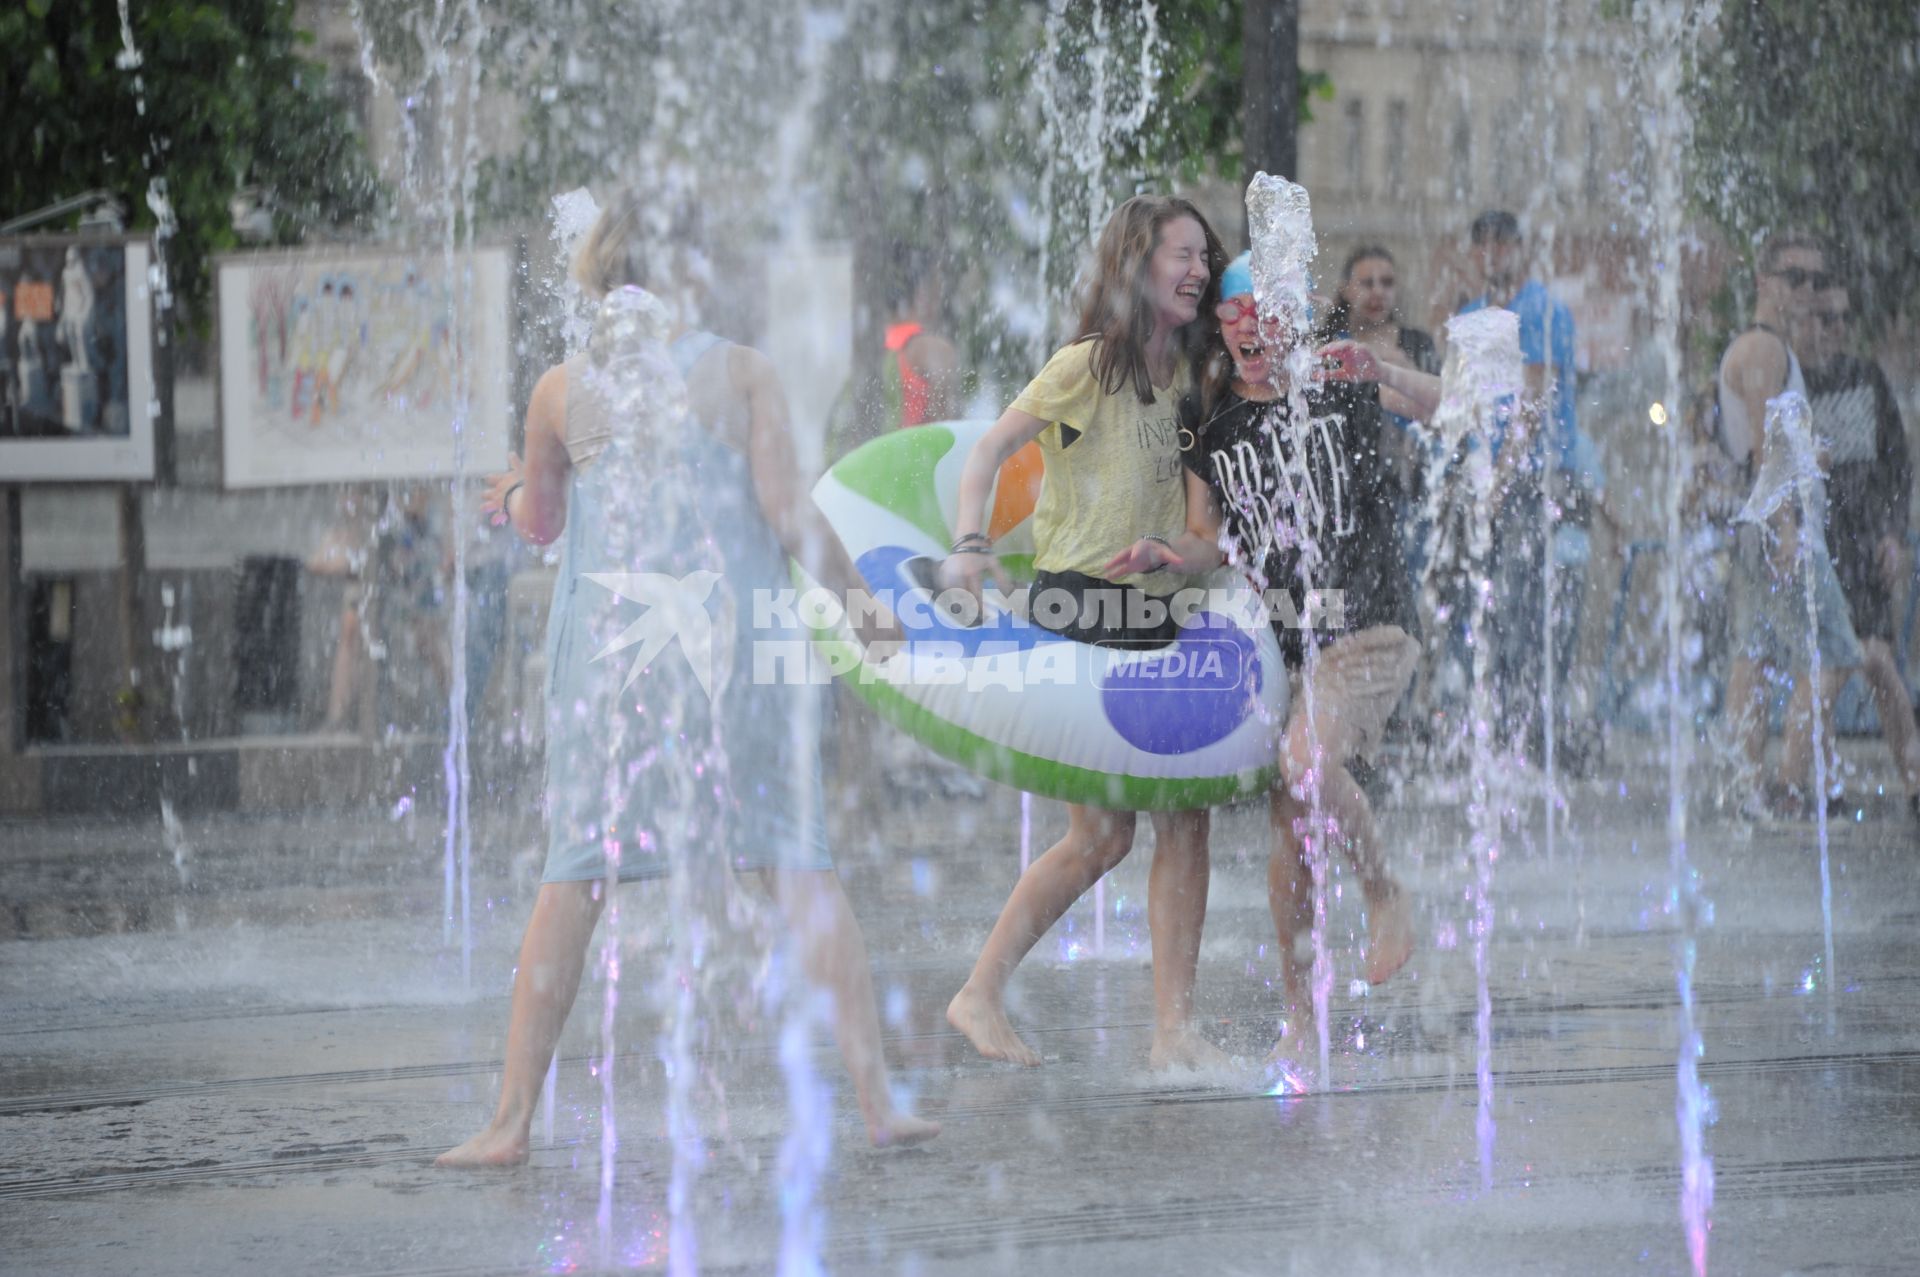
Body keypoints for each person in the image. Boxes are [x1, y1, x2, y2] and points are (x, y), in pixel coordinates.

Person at [438, 194, 938, 1166]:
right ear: (692, 274)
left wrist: (504, 488)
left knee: (575, 877)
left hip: (615, 668)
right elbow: (788, 511)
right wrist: (866, 604)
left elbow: (539, 524)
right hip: (734, 660)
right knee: (795, 863)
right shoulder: (744, 374)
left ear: (600, 277)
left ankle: (507, 1123)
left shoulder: (561, 390)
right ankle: (878, 1100)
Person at [939, 194, 1224, 1070]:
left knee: (1185, 820)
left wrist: (1179, 557)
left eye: (1205, 258)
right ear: (1138, 262)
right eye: (1182, 254)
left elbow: (1204, 525)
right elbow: (987, 452)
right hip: (1079, 610)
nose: (1198, 271)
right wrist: (970, 548)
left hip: (1160, 608)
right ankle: (979, 992)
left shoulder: (1193, 379)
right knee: (1102, 834)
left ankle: (1174, 1030)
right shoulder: (1086, 366)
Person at [1109, 252, 1418, 1049]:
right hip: (1281, 643)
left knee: (1305, 764)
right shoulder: (1211, 423)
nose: (1251, 337)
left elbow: (1438, 404)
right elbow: (1209, 537)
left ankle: (1384, 893)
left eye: (1265, 320)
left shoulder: (1337, 381)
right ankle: (1301, 1015)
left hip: (1366, 624)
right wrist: (1170, 554)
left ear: (1288, 320)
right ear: (1222, 326)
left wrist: (1384, 366)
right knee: (1293, 813)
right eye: (1236, 320)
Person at [1716, 232, 1862, 819]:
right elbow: (1762, 449)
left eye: (1814, 279)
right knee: (1834, 655)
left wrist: (1812, 457)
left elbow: (1773, 446)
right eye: (1793, 277)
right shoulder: (1763, 350)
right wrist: (1786, 529)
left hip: (1769, 522)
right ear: (1764, 283)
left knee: (1754, 654)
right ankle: (1783, 783)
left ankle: (1747, 786)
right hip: (1780, 525)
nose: (1806, 290)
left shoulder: (1768, 350)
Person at [1454, 210, 1589, 758]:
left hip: (1535, 483)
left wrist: (1499, 483)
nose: (1493, 254)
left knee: (1526, 606)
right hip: (1489, 483)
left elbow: (1532, 403)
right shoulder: (1468, 315)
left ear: (1520, 249)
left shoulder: (1541, 310)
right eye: (1483, 244)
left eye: (1503, 244)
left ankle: (1528, 733)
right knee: (1487, 608)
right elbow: (1467, 402)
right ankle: (1494, 728)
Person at [1797, 281, 1920, 815]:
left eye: (1844, 318)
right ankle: (1819, 788)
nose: (1838, 329)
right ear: (1804, 322)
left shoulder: (1866, 379)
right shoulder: (1792, 383)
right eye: (1827, 319)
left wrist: (1895, 533)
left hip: (1866, 545)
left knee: (1877, 663)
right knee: (1826, 669)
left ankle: (1912, 781)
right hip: (1819, 548)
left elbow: (1897, 463)